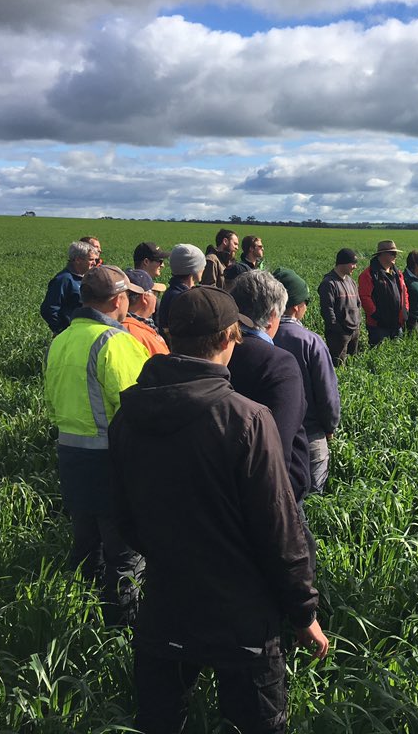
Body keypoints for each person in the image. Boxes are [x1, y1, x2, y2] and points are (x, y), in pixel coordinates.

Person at [108, 286, 328, 734]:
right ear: (231, 336)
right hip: (243, 618)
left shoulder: (128, 415)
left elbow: (120, 513)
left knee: (160, 720)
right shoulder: (246, 419)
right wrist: (304, 612)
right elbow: (278, 529)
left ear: (169, 336)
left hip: (165, 606)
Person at [43, 265, 150, 625]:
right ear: (119, 300)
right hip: (112, 462)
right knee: (125, 556)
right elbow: (138, 407)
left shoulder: (62, 339)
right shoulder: (116, 342)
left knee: (87, 547)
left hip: (71, 457)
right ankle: (120, 635)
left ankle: (76, 619)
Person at [228, 270, 312, 501]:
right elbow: (278, 449)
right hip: (270, 495)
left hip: (225, 486)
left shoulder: (219, 348)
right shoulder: (278, 363)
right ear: (274, 315)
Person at [272, 268, 341, 495]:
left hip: (267, 438)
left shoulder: (252, 339)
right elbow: (326, 391)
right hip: (309, 434)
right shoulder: (309, 341)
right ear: (296, 307)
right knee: (312, 499)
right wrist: (330, 426)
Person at [40, 240, 98, 334]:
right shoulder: (64, 280)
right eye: (91, 259)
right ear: (78, 260)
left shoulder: (87, 277)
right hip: (72, 332)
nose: (95, 263)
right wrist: (61, 329)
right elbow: (48, 309)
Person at [358, 240, 409, 347]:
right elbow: (364, 297)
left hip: (397, 323)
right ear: (382, 254)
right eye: (392, 253)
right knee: (378, 354)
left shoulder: (397, 273)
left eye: (395, 253)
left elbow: (404, 293)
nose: (395, 255)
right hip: (378, 326)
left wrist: (405, 310)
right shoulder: (369, 274)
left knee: (397, 353)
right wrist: (376, 315)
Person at [318, 248, 362, 365]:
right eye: (352, 263)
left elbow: (358, 303)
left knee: (353, 363)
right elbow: (327, 309)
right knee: (338, 365)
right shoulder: (329, 283)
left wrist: (357, 323)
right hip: (339, 334)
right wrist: (337, 329)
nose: (355, 267)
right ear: (342, 263)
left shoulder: (351, 282)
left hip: (354, 331)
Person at [156, 244, 206, 338]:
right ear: (193, 269)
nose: (203, 269)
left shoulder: (172, 292)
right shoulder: (184, 298)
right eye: (202, 266)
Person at [122, 269, 169, 356]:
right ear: (144, 298)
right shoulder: (134, 331)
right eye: (155, 294)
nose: (156, 299)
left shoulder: (124, 326)